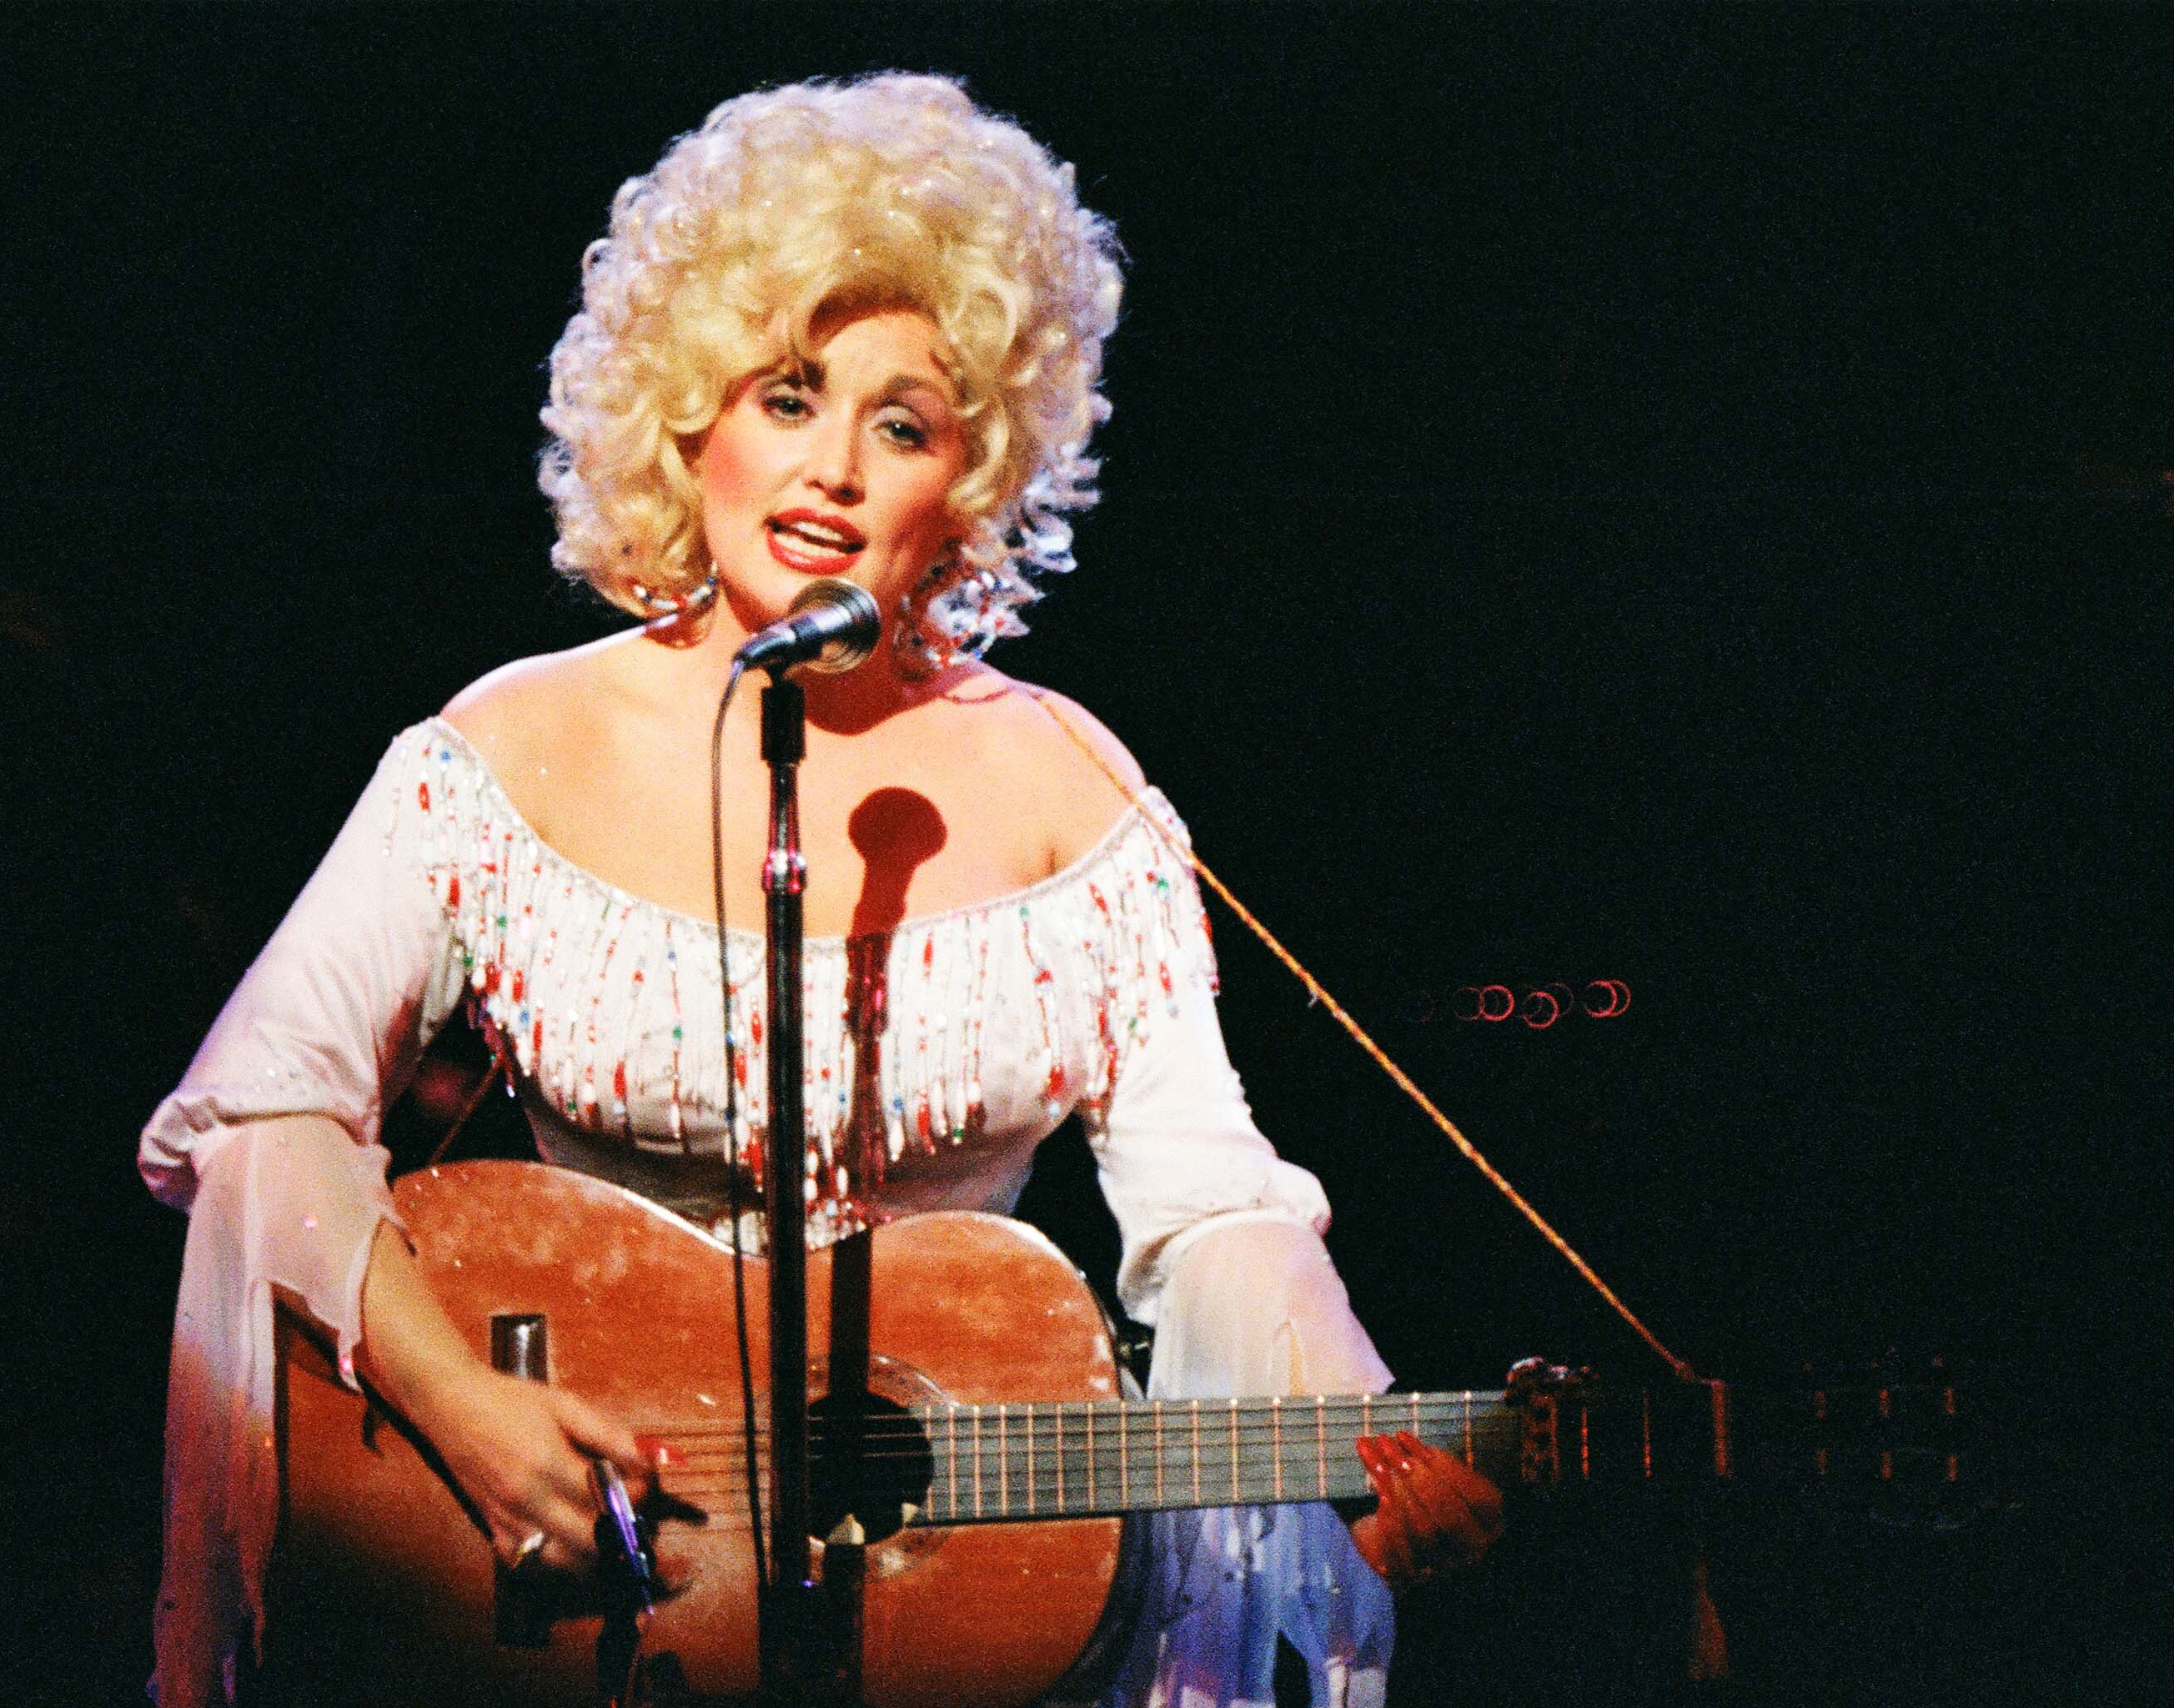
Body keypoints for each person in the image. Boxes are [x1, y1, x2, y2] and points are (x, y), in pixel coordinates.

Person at [139, 72, 1502, 1708]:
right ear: (689, 410)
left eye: (903, 424)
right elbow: (264, 1116)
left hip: (945, 1625)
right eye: (789, 395)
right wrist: (470, 1410)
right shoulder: (500, 751)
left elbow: (1213, 1214)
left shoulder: (1072, 790)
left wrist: (1355, 1427)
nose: (835, 468)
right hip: (577, 1600)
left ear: (970, 485)